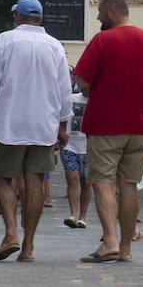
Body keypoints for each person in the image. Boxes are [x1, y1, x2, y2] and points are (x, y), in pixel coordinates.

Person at [74, 0, 143, 263]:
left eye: (100, 14)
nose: (98, 19)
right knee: (128, 184)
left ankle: (110, 242)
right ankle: (126, 249)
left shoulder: (102, 41)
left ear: (110, 11)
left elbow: (81, 82)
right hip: (140, 127)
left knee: (103, 182)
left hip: (105, 126)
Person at [0, 0, 70, 263]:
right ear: (39, 18)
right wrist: (62, 126)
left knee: (4, 177)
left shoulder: (5, 40)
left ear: (18, 16)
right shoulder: (55, 46)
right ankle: (28, 247)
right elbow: (64, 92)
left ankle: (12, 234)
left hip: (8, 122)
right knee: (35, 180)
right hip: (43, 124)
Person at [61, 80, 92, 230]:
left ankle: (82, 217)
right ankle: (73, 214)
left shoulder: (98, 101)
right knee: (72, 178)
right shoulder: (71, 99)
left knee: (86, 182)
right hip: (70, 144)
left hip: (90, 146)